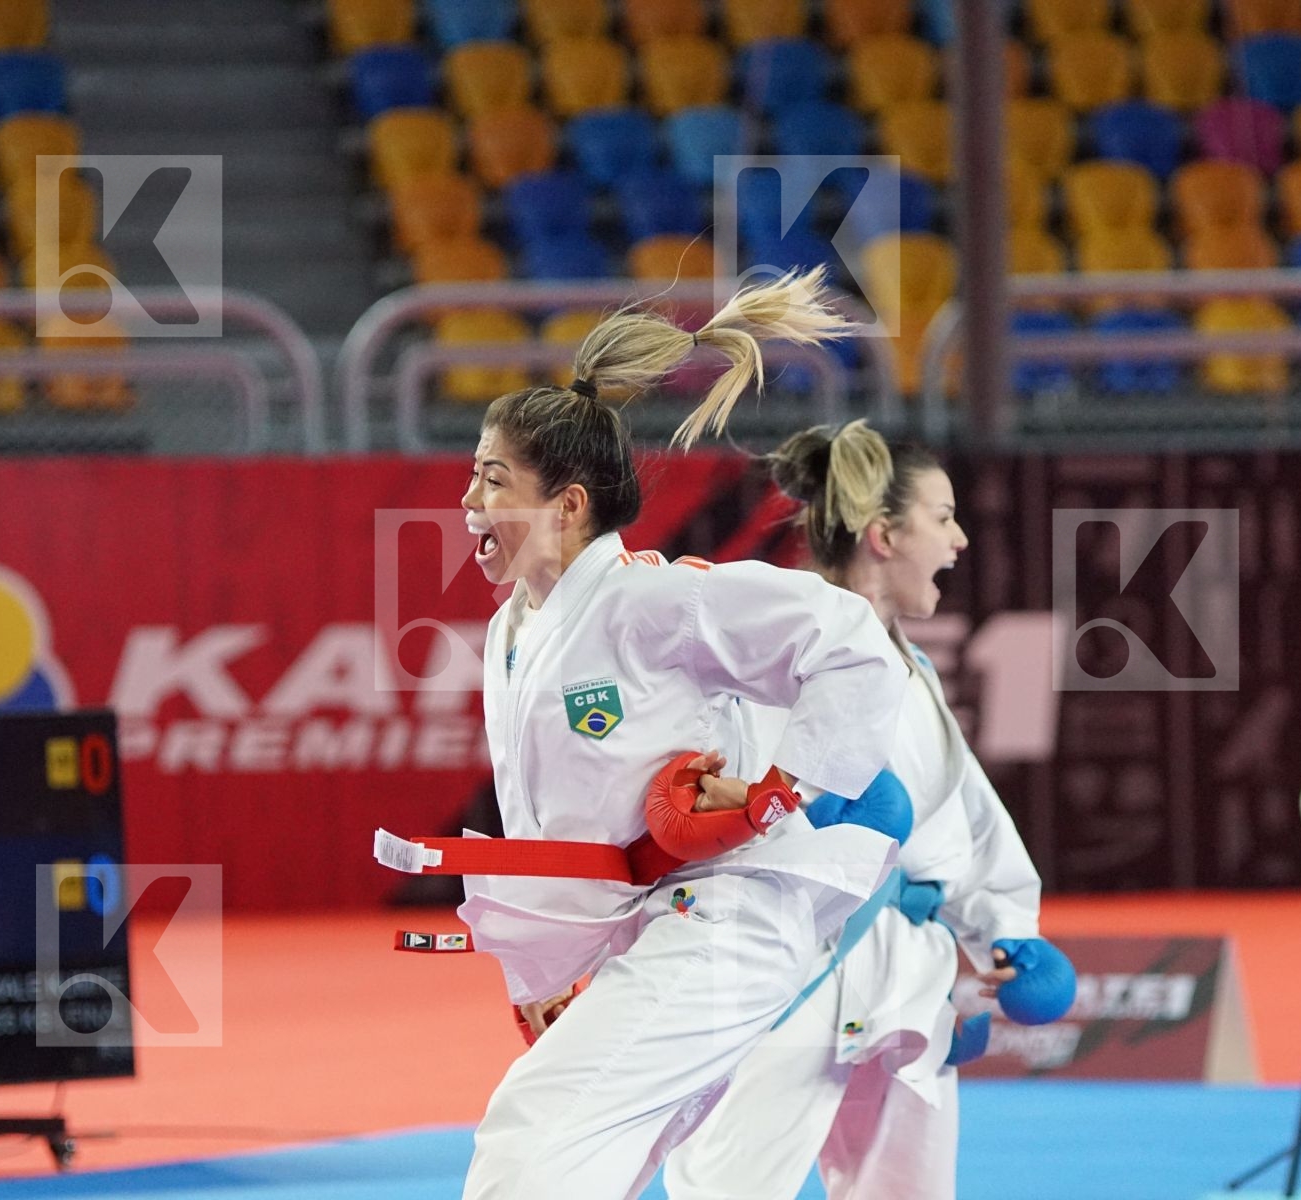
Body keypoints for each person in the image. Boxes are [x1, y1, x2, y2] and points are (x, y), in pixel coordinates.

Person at [441, 269, 910, 1199]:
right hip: (653, 932)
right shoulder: (512, 634)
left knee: (534, 1129)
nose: (469, 501)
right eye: (472, 475)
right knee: (602, 1162)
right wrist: (545, 976)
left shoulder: (652, 600)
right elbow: (548, 832)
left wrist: (782, 787)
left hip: (726, 918)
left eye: (493, 480)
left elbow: (853, 643)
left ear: (568, 505)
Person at [665, 420, 1074, 1200]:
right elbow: (735, 805)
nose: (958, 540)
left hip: (905, 969)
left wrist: (1004, 928)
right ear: (884, 536)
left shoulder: (911, 668)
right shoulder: (779, 647)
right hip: (791, 960)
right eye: (942, 518)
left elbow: (965, 815)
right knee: (730, 1187)